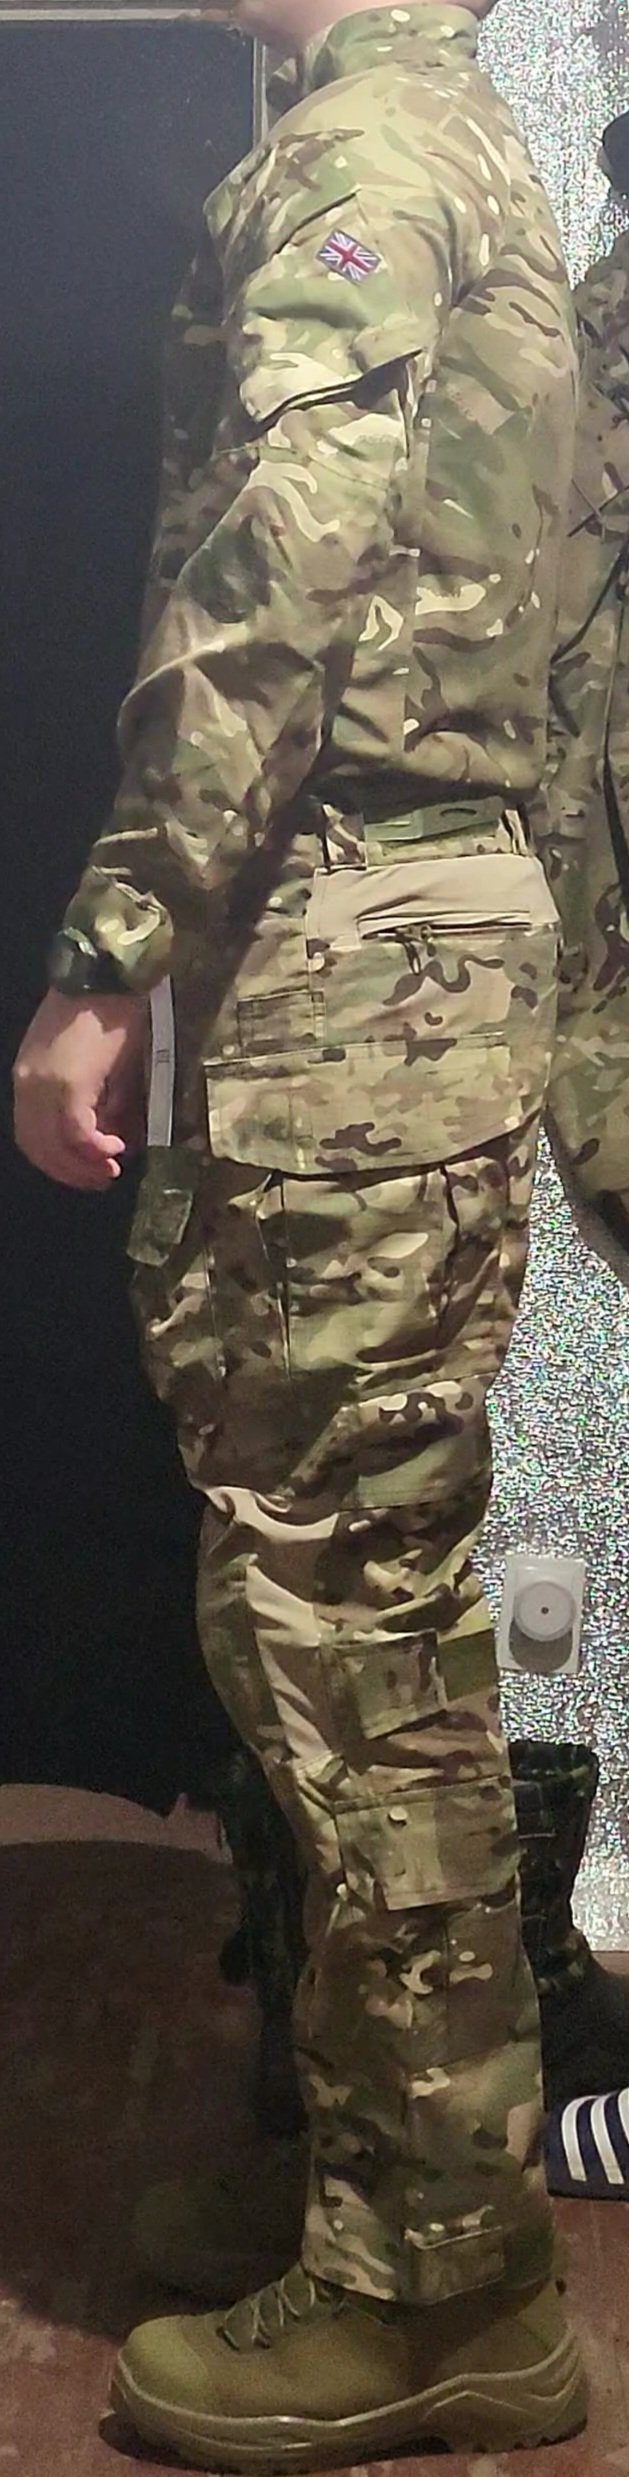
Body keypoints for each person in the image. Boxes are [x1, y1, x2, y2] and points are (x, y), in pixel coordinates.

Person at [13, 0, 586, 2460]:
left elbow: (287, 559)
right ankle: (389, 2189)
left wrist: (109, 949)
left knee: (348, 1635)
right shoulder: (463, 148)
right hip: (405, 956)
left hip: (350, 965)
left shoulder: (359, 160)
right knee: (340, 1618)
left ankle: (446, 2282)